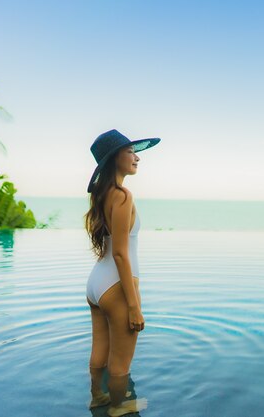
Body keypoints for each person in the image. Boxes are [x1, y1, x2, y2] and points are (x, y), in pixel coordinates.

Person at [83, 129, 161, 416]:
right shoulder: (123, 195)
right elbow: (120, 253)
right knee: (120, 365)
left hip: (96, 285)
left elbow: (110, 250)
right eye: (130, 152)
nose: (136, 157)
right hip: (116, 285)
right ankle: (119, 407)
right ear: (115, 158)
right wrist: (133, 306)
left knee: (100, 353)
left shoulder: (103, 195)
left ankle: (97, 398)